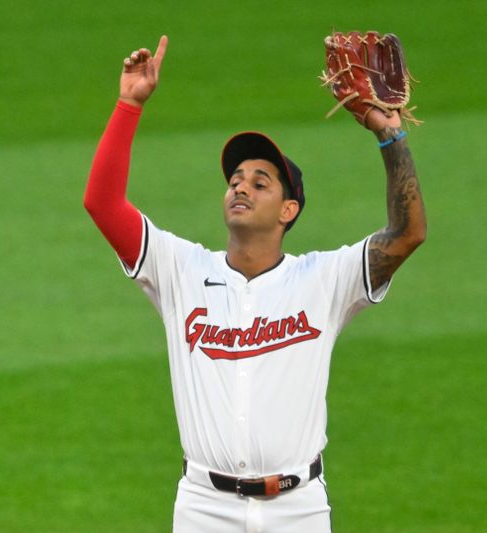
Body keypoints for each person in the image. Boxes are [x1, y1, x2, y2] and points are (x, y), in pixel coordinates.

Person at [84, 35, 426, 533]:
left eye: (260, 182)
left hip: (299, 510)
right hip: (205, 508)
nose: (240, 186)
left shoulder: (325, 279)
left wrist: (390, 136)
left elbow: (407, 233)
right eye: (235, 180)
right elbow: (103, 204)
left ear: (289, 211)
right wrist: (128, 104)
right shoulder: (179, 269)